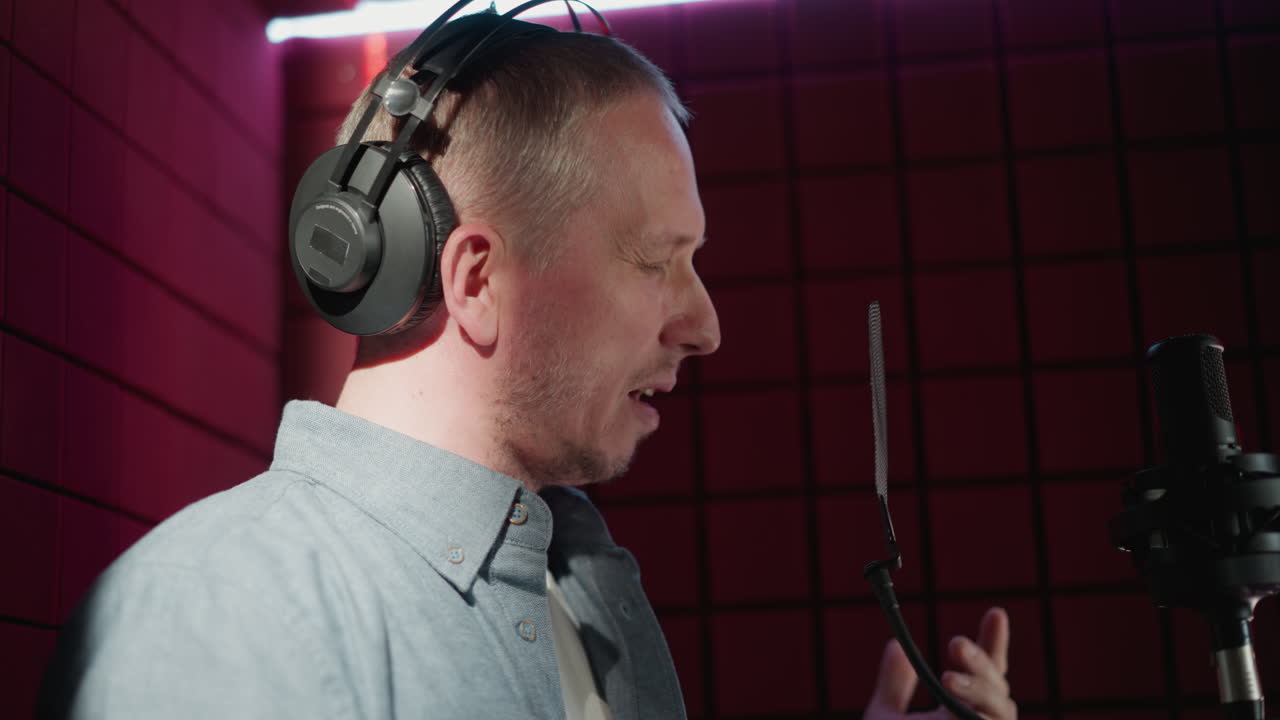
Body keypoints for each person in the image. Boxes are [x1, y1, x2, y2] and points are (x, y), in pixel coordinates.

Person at [39, 10, 1016, 720]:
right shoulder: (224, 618)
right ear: (476, 279)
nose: (705, 326)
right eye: (654, 261)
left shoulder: (584, 589)